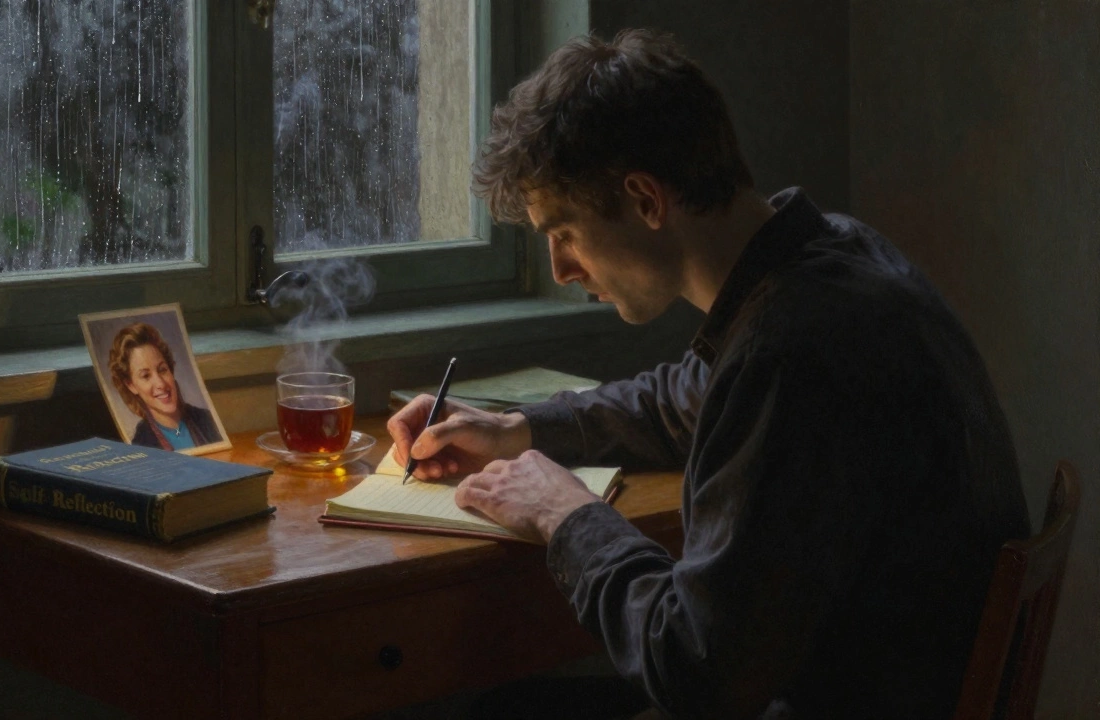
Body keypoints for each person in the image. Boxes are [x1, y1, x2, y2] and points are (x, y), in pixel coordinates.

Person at [387, 29, 1031, 720]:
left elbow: (696, 673)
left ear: (645, 200)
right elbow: (681, 400)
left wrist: (565, 512)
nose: (563, 271)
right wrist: (519, 428)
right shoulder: (829, 261)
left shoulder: (791, 349)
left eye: (565, 233)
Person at [108, 322, 222, 451]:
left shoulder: (206, 419)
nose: (160, 384)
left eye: (162, 370)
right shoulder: (142, 444)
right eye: (146, 376)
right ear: (131, 385)